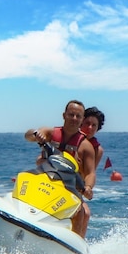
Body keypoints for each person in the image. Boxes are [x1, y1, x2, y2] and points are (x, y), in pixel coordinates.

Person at [24, 100, 96, 238]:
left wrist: (88, 187)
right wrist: (35, 134)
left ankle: (75, 246)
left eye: (78, 116)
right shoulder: (50, 133)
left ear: (82, 120)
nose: (74, 119)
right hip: (44, 180)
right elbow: (27, 135)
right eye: (71, 114)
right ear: (64, 115)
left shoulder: (86, 146)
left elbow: (91, 173)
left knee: (83, 212)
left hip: (69, 188)